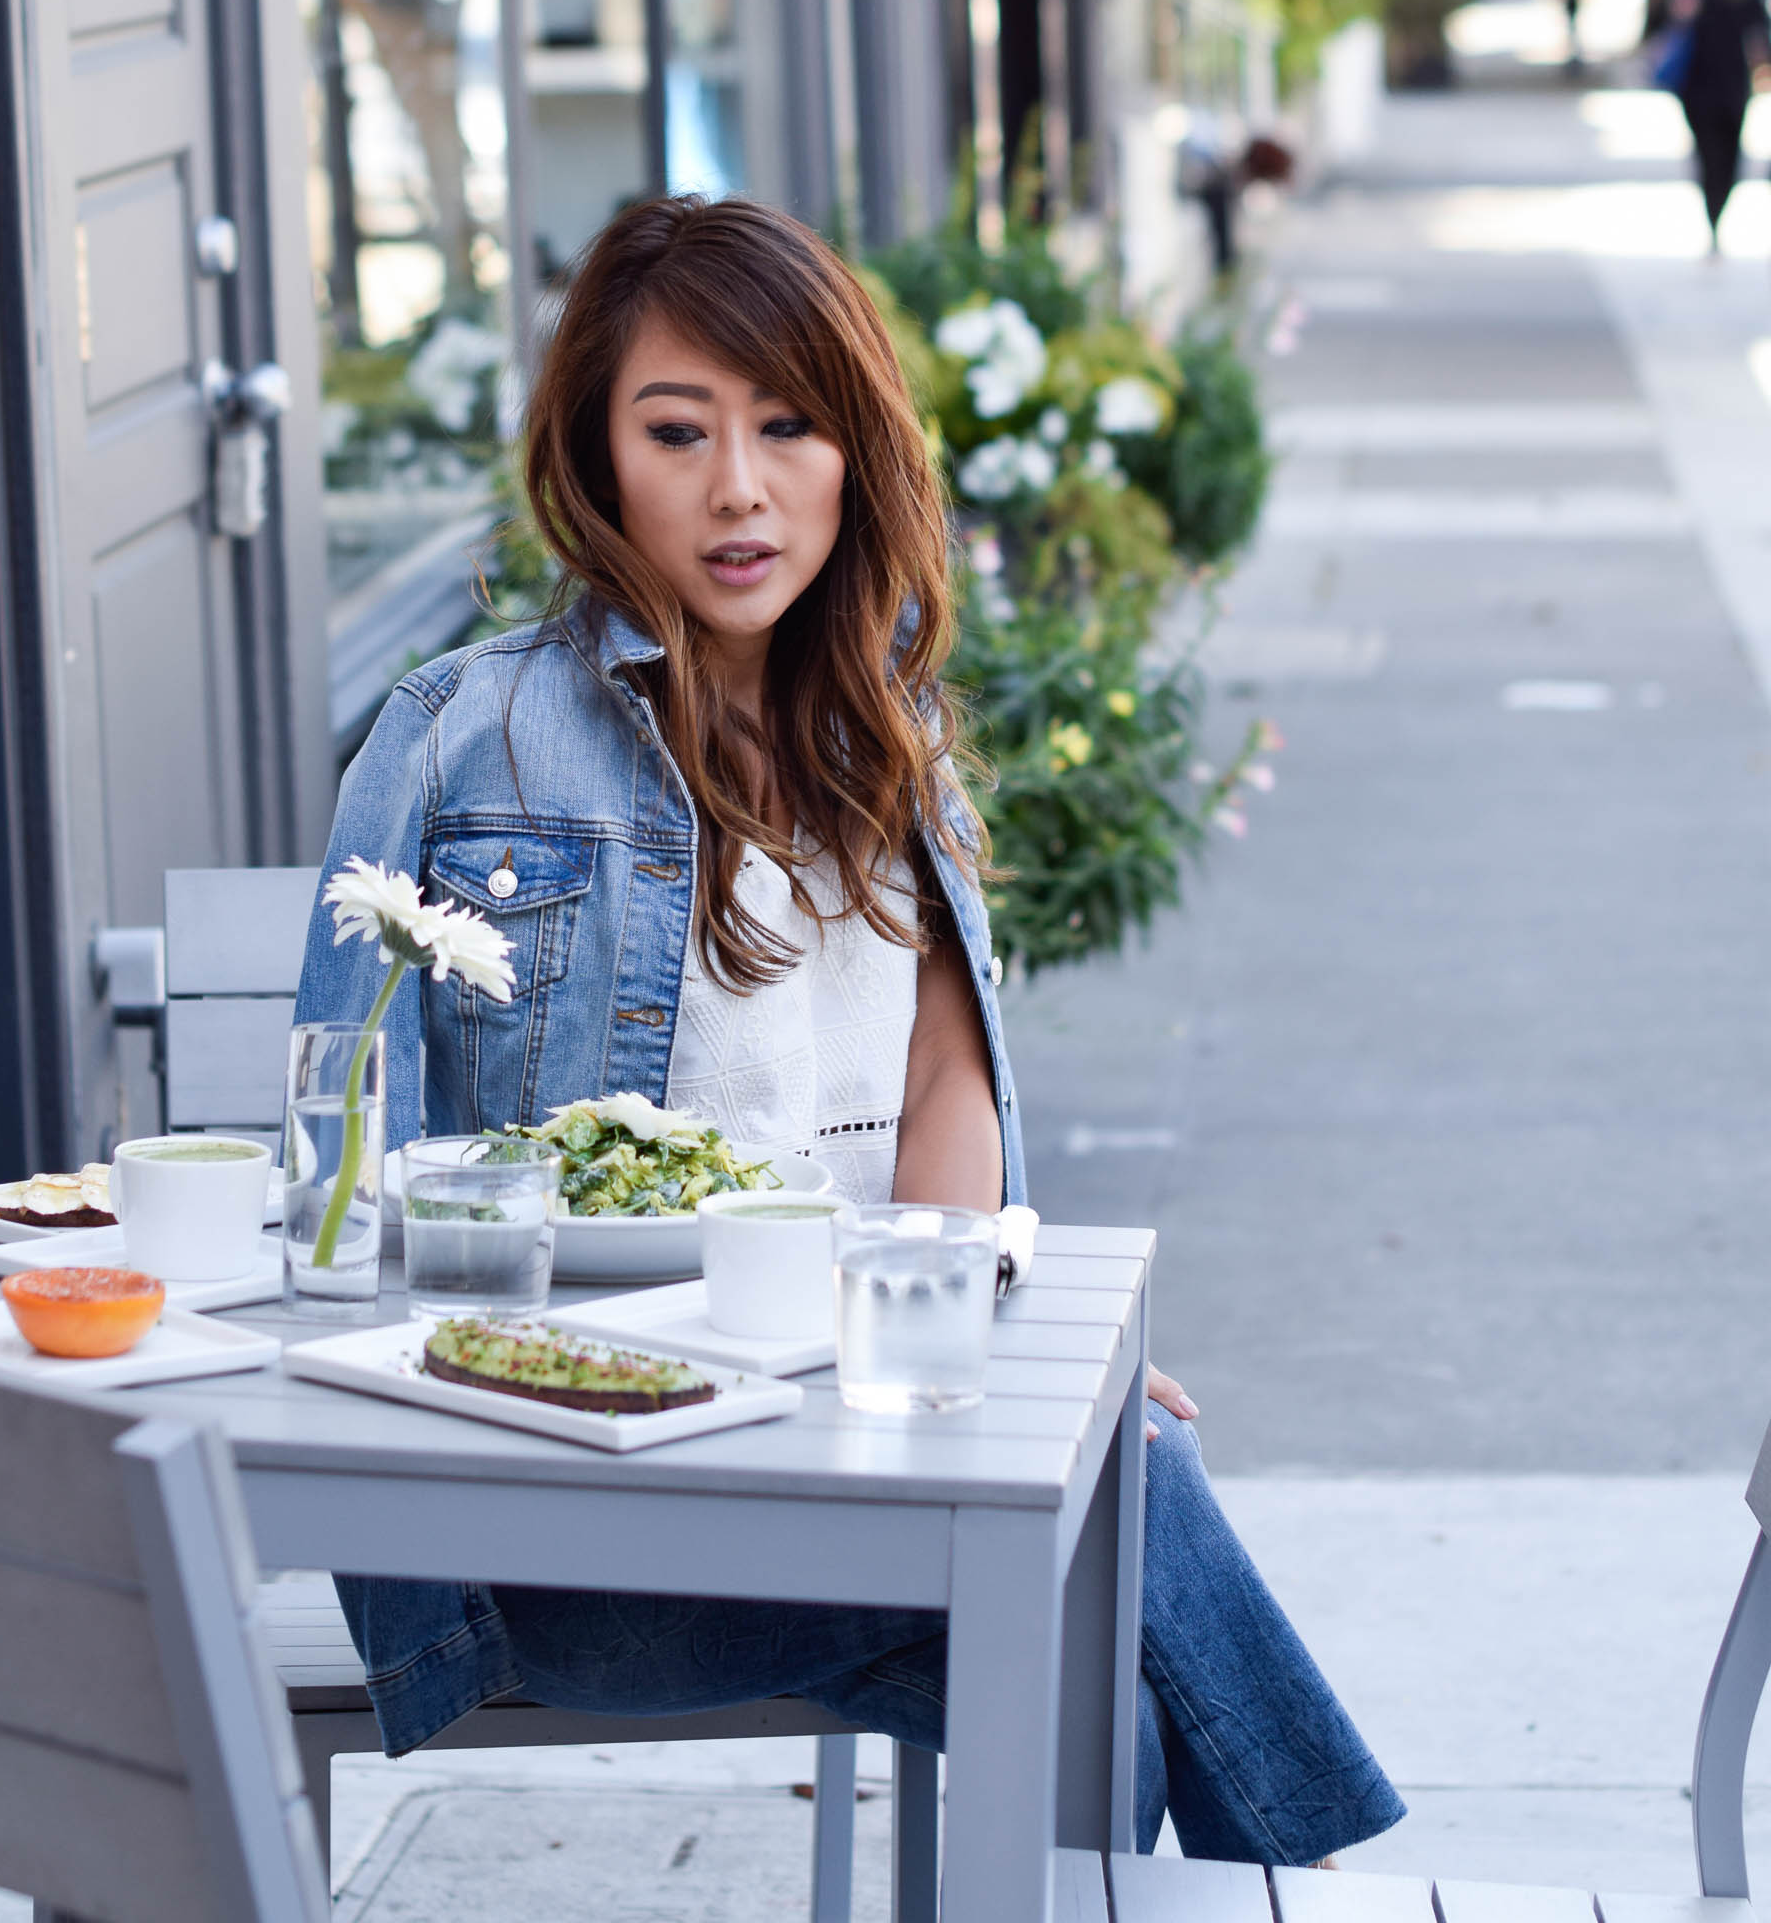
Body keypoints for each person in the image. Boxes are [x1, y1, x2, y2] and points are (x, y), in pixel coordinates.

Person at [293, 195, 1404, 1864]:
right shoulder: (466, 742)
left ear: (851, 450)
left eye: (788, 426)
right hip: (569, 1517)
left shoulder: (889, 738)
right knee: (1111, 1565)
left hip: (851, 1464)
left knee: (1100, 1618)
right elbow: (340, 1142)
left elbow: (944, 1079)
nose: (739, 489)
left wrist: (1011, 1352)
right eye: (678, 432)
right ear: (599, 460)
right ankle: (1319, 1888)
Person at [1663, 0, 1771, 254]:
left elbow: (1761, 32)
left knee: (1731, 158)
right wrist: (1681, 11)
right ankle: (1712, 220)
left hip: (1734, 87)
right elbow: (1663, 23)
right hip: (1696, 87)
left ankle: (1718, 212)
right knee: (1709, 155)